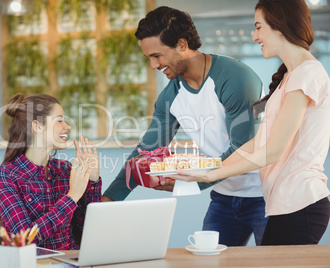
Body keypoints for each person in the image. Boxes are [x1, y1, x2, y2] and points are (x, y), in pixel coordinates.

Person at [103, 6, 268, 246]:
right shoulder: (171, 97)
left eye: (157, 55)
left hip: (266, 194)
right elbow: (145, 150)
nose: (153, 65)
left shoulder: (236, 79)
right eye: (149, 57)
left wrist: (194, 181)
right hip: (225, 196)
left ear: (181, 45)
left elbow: (244, 147)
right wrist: (108, 201)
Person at [170, 0, 330, 245]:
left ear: (280, 25)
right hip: (284, 205)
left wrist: (212, 176)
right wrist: (209, 169)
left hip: (301, 204)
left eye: (258, 27)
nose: (254, 36)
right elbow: (258, 144)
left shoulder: (306, 74)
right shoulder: (292, 76)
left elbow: (273, 151)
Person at [0, 93, 102, 250]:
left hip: (72, 260)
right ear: (38, 127)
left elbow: (89, 229)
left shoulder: (65, 170)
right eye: (59, 120)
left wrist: (92, 181)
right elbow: (23, 238)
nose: (67, 126)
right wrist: (71, 196)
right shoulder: (5, 176)